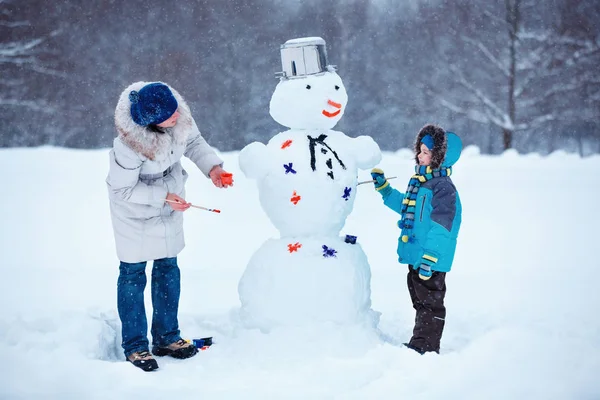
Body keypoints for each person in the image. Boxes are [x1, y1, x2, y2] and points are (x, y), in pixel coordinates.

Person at [106, 81, 233, 371]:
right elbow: (122, 191)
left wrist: (213, 167)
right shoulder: (128, 145)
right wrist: (162, 197)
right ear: (151, 122)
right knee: (133, 274)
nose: (176, 116)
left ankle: (166, 337)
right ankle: (136, 346)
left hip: (169, 199)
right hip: (133, 210)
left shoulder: (179, 116)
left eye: (176, 110)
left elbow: (193, 142)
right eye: (169, 115)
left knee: (168, 267)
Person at [370, 124, 462, 355]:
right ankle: (420, 342)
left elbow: (442, 226)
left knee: (430, 304)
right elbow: (407, 208)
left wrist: (431, 256)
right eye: (419, 150)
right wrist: (385, 190)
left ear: (439, 158)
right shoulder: (421, 183)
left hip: (430, 259)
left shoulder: (443, 189)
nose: (419, 156)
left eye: (426, 152)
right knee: (420, 302)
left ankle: (426, 348)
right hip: (418, 256)